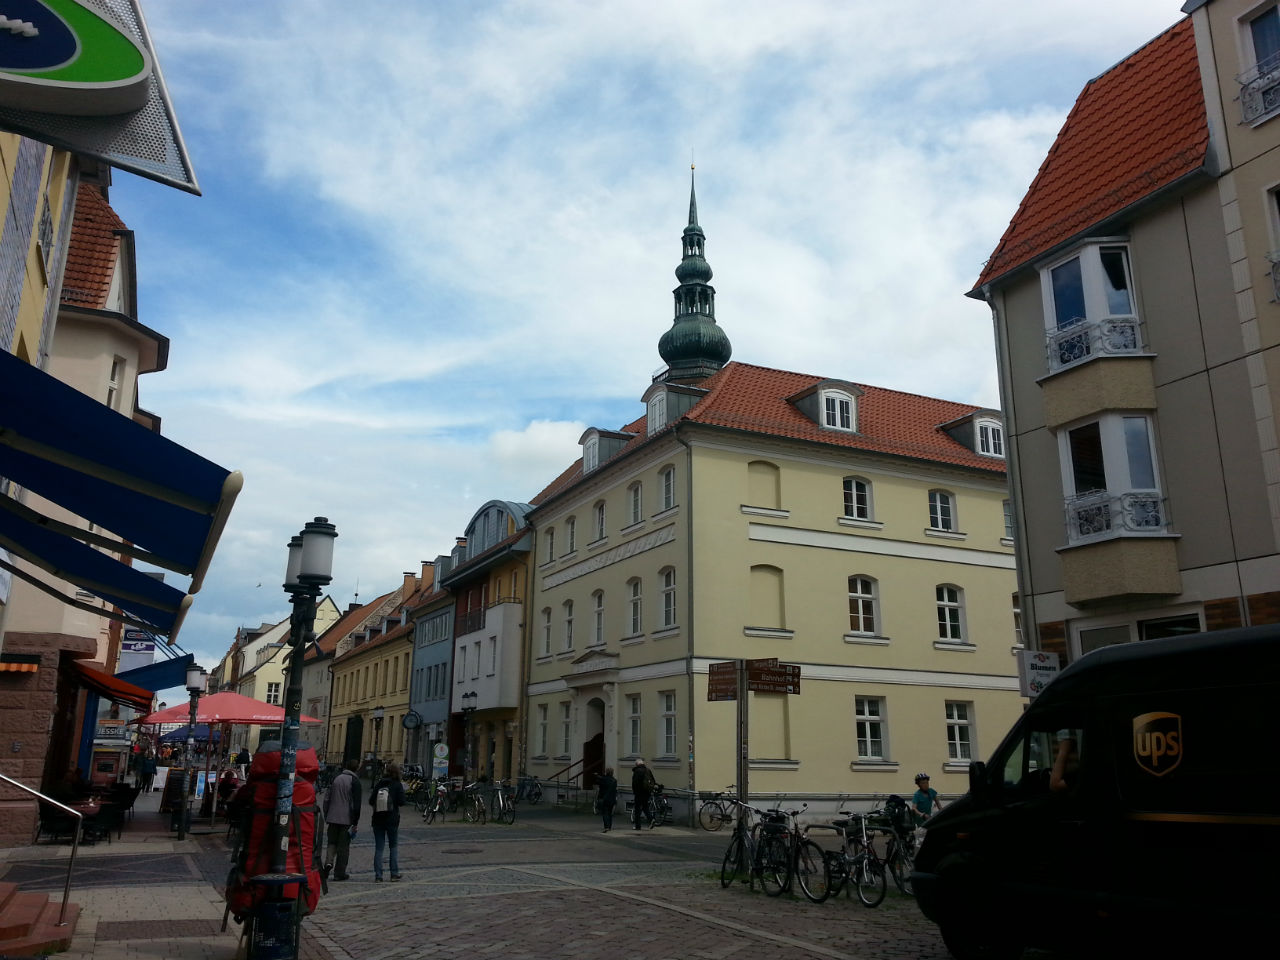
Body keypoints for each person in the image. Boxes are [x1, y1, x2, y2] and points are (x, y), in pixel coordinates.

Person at [322, 759, 361, 882]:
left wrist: (327, 813)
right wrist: (355, 822)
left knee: (331, 842)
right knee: (343, 847)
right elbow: (356, 804)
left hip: (332, 817)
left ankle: (328, 863)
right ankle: (339, 872)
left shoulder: (336, 778)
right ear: (357, 768)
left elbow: (327, 798)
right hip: (346, 819)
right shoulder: (355, 781)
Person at [369, 761, 406, 882]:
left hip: (378, 819)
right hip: (392, 819)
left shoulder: (380, 783)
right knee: (393, 846)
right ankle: (394, 874)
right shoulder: (397, 784)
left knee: (379, 848)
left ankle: (378, 876)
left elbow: (370, 801)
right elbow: (402, 802)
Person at [631, 758, 655, 830]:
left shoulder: (637, 771)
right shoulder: (648, 770)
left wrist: (635, 792)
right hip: (647, 792)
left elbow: (635, 783)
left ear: (637, 764)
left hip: (639, 793)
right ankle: (651, 819)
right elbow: (653, 780)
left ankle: (638, 826)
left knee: (637, 809)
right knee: (645, 807)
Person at [595, 767, 618, 833]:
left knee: (605, 813)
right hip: (611, 799)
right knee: (610, 813)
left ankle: (606, 827)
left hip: (604, 798)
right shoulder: (614, 780)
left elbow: (597, 782)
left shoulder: (603, 779)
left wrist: (597, 776)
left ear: (606, 772)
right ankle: (609, 826)